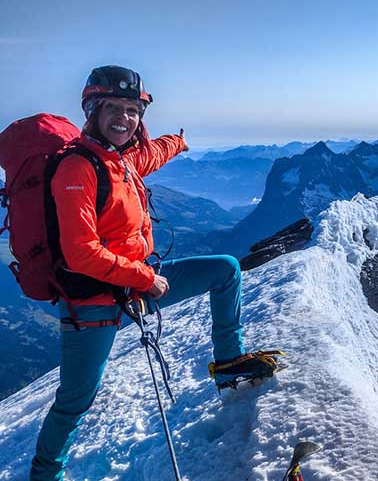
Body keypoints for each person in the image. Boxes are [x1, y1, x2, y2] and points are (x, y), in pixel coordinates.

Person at [30, 65, 276, 481]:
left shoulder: (122, 160)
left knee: (226, 270)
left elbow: (152, 153)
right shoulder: (77, 168)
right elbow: (79, 253)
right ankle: (45, 473)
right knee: (75, 399)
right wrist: (144, 279)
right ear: (92, 110)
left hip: (135, 284)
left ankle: (229, 362)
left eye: (132, 110)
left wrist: (178, 141)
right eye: (113, 109)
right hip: (94, 302)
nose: (124, 118)